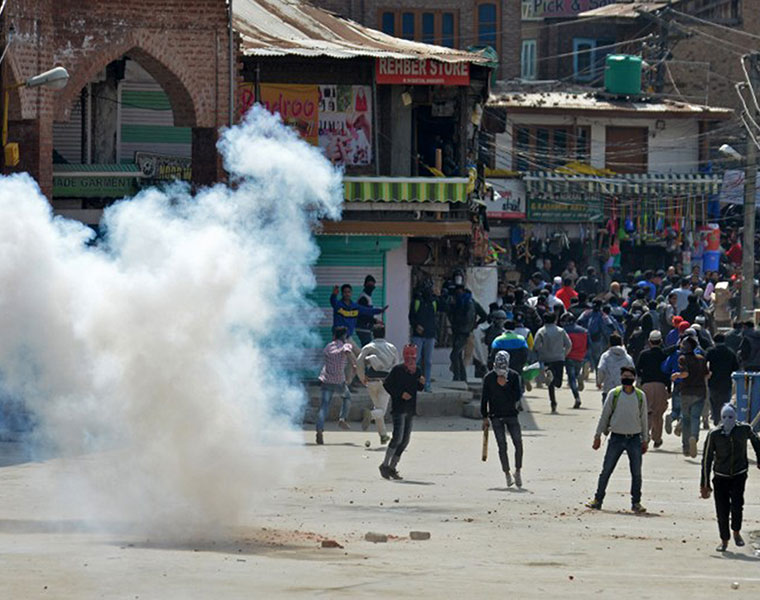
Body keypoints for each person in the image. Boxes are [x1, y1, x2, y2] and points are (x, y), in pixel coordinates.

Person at [587, 366, 649, 513]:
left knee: (636, 473)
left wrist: (645, 439)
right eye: (624, 376)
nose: (626, 378)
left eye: (629, 376)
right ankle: (598, 499)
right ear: (621, 377)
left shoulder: (640, 396)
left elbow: (644, 418)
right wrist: (597, 436)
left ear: (634, 379)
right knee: (606, 470)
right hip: (616, 438)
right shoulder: (613, 395)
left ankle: (636, 503)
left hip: (634, 439)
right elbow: (604, 416)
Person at [700, 404, 760, 552]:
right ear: (721, 418)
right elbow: (707, 459)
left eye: (731, 417)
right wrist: (705, 484)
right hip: (720, 476)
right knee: (722, 509)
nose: (728, 420)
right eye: (725, 417)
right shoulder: (714, 434)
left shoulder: (743, 429)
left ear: (735, 417)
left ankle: (736, 532)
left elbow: (756, 440)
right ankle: (724, 540)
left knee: (737, 505)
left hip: (739, 474)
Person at [379, 345, 425, 480]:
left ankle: (393, 466)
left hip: (410, 409)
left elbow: (418, 387)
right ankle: (384, 464)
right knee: (397, 437)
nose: (411, 360)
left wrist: (422, 383)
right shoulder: (397, 370)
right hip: (399, 409)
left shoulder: (417, 371)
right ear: (404, 357)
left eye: (413, 357)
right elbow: (387, 385)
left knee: (405, 440)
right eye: (408, 357)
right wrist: (400, 394)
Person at [481, 351, 524, 488]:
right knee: (502, 445)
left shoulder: (513, 376)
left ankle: (518, 471)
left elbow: (517, 397)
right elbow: (484, 399)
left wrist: (505, 385)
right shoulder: (489, 378)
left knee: (518, 443)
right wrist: (485, 417)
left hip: (511, 414)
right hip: (496, 416)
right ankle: (507, 473)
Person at [356, 323, 399, 444]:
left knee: (378, 407)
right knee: (381, 410)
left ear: (372, 334)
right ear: (384, 333)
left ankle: (383, 435)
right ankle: (370, 415)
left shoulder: (368, 347)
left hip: (370, 382)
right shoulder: (392, 347)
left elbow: (359, 363)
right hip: (386, 382)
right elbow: (397, 366)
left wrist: (362, 377)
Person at [316, 326, 356, 444]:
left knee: (324, 406)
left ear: (334, 335)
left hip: (326, 380)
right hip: (339, 382)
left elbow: (324, 359)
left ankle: (319, 430)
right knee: (347, 397)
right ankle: (342, 419)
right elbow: (348, 353)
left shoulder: (328, 347)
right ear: (344, 336)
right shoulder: (345, 346)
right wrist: (354, 364)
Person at [672, 336, 710, 458]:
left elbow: (685, 373)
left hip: (686, 392)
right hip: (700, 392)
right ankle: (694, 437)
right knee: (695, 418)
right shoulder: (701, 359)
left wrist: (677, 375)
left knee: (686, 419)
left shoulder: (682, 359)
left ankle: (686, 447)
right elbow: (707, 375)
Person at [636, 330, 670, 448]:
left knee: (646, 413)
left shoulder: (644, 354)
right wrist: (669, 389)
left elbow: (638, 370)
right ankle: (657, 438)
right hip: (661, 386)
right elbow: (668, 372)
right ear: (660, 342)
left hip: (646, 386)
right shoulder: (664, 355)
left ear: (650, 342)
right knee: (658, 414)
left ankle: (645, 436)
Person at [533, 312, 572, 413]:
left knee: (550, 385)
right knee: (558, 383)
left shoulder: (541, 331)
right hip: (558, 358)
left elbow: (536, 346)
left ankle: (553, 402)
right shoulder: (561, 331)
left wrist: (541, 352)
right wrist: (564, 354)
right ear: (555, 320)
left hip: (546, 358)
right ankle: (552, 384)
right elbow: (569, 344)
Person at [447, 285, 486, 382]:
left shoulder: (466, 302)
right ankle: (461, 377)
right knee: (458, 355)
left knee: (455, 355)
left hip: (463, 332)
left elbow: (483, 316)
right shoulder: (466, 302)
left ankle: (457, 376)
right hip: (461, 331)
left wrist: (474, 324)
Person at [409, 279, 438, 392]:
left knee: (428, 362)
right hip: (418, 335)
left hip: (430, 335)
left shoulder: (434, 301)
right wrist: (416, 325)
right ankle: (413, 383)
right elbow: (411, 317)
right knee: (415, 360)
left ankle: (427, 384)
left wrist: (439, 295)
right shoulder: (417, 301)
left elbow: (444, 308)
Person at [705, 333, 740, 426]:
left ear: (714, 341)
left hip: (713, 381)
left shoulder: (710, 352)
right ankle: (723, 421)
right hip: (726, 382)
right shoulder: (730, 352)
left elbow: (705, 365)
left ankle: (716, 419)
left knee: (714, 402)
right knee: (725, 403)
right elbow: (736, 367)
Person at [596, 333, 634, 404]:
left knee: (607, 413)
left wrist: (599, 382)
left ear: (609, 344)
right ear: (621, 343)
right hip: (624, 390)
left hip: (608, 389)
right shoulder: (627, 358)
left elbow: (601, 369)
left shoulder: (605, 356)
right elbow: (633, 372)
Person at [561, 312, 588, 409]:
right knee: (575, 374)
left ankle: (577, 397)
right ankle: (579, 376)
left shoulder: (564, 331)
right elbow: (589, 344)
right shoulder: (584, 331)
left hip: (569, 356)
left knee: (571, 378)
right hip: (581, 356)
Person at [356, 275, 379, 347]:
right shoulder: (363, 298)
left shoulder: (367, 297)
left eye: (372, 285)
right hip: (363, 328)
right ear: (365, 285)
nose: (371, 287)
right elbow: (363, 315)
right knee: (367, 350)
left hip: (366, 328)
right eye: (369, 285)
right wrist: (375, 321)